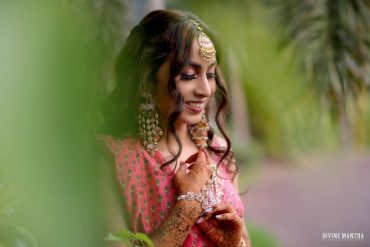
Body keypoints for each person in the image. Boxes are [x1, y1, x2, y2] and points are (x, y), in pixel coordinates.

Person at [98, 9, 251, 247]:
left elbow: (245, 241)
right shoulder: (113, 160)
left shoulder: (219, 151)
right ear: (146, 81)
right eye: (189, 75)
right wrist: (186, 209)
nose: (206, 89)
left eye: (210, 74)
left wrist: (233, 241)